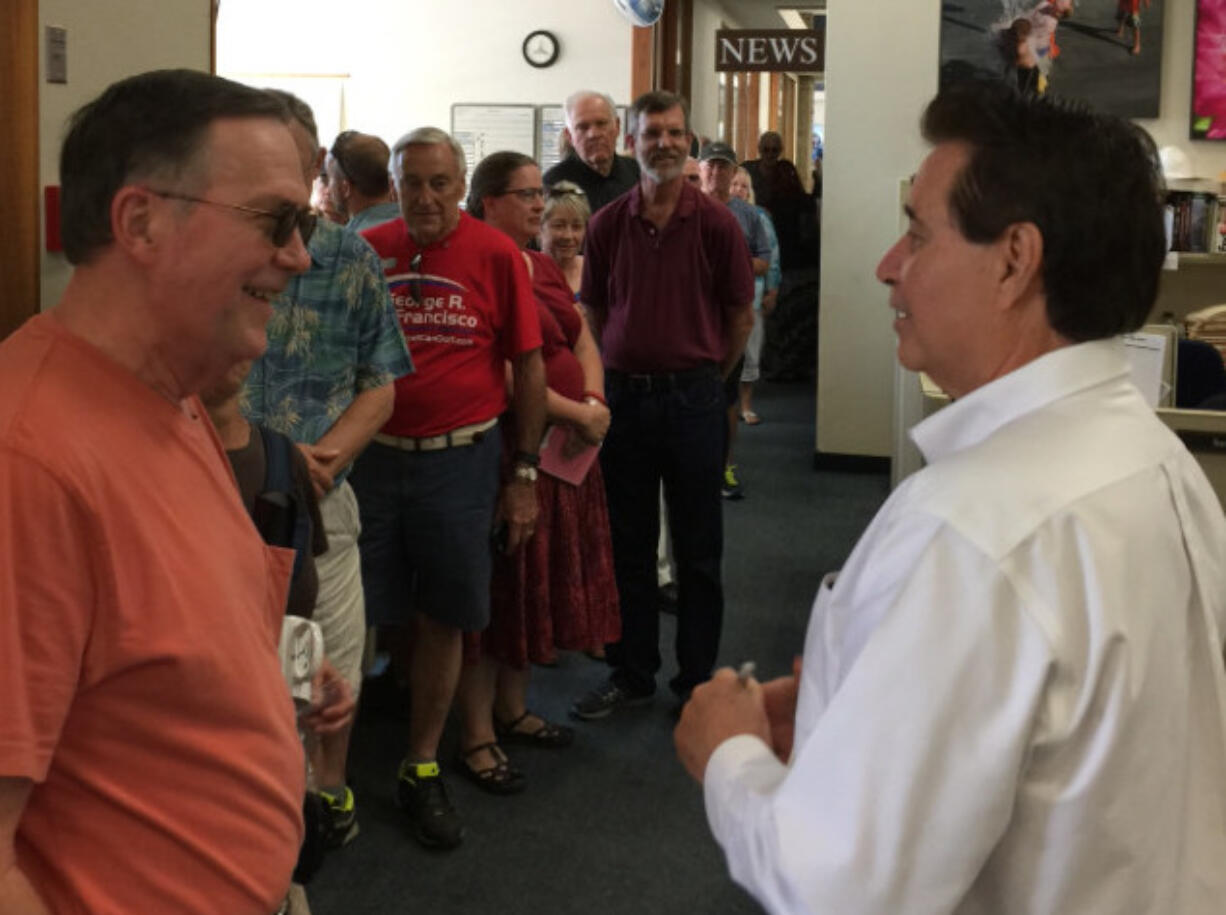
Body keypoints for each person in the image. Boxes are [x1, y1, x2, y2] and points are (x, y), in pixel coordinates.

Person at [675, 81, 1226, 914]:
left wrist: (729, 754)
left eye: (917, 233)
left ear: (1014, 260)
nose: (887, 265)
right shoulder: (1158, 461)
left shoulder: (972, 528)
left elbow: (835, 888)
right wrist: (837, 694)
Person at [0, 68, 317, 913]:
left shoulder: (171, 399)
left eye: (305, 220)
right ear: (139, 221)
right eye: (276, 220)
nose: (300, 254)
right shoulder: (27, 460)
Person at [352, 126, 546, 849]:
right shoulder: (370, 252)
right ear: (395, 185)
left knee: (445, 612)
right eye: (413, 183)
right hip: (372, 461)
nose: (426, 197)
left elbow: (526, 365)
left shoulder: (497, 255)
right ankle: (332, 767)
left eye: (440, 182)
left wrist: (523, 470)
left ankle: (422, 760)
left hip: (461, 461)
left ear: (461, 185)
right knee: (361, 611)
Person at [245, 91, 414, 850]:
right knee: (248, 669)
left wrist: (331, 455)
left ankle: (329, 793)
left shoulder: (349, 258)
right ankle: (264, 807)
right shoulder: (223, 250)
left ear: (319, 167)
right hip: (222, 492)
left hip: (322, 495)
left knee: (328, 658)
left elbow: (381, 380)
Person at [571, 90, 755, 720]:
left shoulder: (717, 224)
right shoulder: (606, 225)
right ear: (633, 142)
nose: (665, 144)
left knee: (699, 550)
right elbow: (591, 309)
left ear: (690, 141)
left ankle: (696, 679)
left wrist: (706, 379)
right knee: (628, 545)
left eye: (676, 134)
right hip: (625, 400)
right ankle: (632, 672)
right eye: (652, 134)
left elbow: (740, 317)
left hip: (693, 400)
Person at [454, 151, 620, 793]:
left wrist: (596, 402)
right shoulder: (479, 262)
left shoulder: (543, 262)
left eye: (538, 195)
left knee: (534, 587)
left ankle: (514, 708)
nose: (537, 206)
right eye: (524, 195)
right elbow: (499, 367)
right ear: (488, 200)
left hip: (566, 454)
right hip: (513, 447)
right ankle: (477, 734)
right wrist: (574, 410)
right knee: (498, 592)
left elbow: (580, 335)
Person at [698, 141, 772, 501]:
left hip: (731, 319)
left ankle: (724, 467)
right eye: (710, 166)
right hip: (691, 320)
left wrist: (731, 263)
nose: (716, 173)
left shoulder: (747, 216)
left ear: (733, 172)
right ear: (700, 170)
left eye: (723, 167)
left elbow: (763, 260)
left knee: (725, 396)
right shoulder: (683, 210)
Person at [730, 166, 782, 426]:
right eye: (734, 184)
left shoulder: (758, 216)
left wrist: (773, 290)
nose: (738, 190)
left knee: (750, 352)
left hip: (753, 294)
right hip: (723, 299)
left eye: (743, 186)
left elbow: (771, 256)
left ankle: (746, 405)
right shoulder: (716, 214)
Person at [543, 90, 640, 213]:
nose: (593, 134)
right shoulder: (554, 184)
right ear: (569, 136)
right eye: (582, 127)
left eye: (601, 124)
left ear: (617, 126)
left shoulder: (638, 174)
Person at [741, 131, 810, 269]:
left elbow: (801, 200)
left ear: (780, 151)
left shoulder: (786, 169)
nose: (770, 154)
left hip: (783, 230)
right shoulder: (748, 169)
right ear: (759, 150)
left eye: (775, 150)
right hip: (755, 227)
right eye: (766, 149)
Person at [325, 130, 401, 232]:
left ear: (345, 188)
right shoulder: (419, 230)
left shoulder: (348, 244)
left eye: (329, 179)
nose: (328, 189)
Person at [540, 179, 590, 297]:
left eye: (576, 227)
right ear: (539, 228)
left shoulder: (594, 271)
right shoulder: (527, 271)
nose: (568, 235)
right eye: (559, 226)